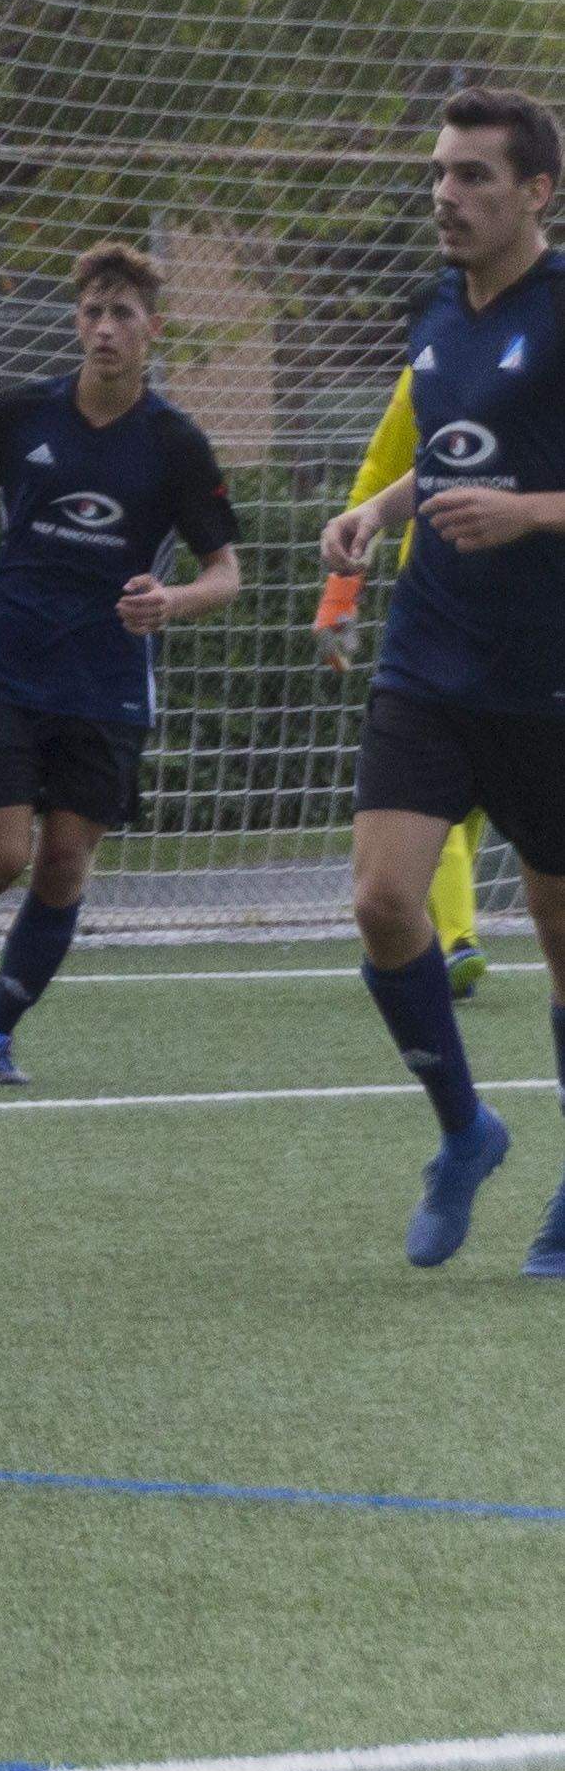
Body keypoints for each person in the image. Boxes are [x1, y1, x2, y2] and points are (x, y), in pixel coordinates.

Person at [319, 86, 565, 1271]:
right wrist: (372, 507)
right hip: (429, 653)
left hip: (549, 672)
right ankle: (463, 1130)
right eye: (438, 173)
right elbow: (443, 453)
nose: (444, 195)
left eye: (472, 175)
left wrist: (530, 513)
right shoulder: (436, 311)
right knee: (378, 899)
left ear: (536, 192)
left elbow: (513, 482)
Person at [0, 242, 243, 1086]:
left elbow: (226, 573)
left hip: (106, 682)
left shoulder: (176, 444)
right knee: (0, 858)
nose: (105, 329)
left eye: (123, 315)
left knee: (64, 861)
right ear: (76, 324)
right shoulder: (22, 414)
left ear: (152, 332)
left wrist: (170, 602)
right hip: (7, 662)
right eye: (93, 314)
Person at [312, 369, 490, 998]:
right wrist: (340, 588)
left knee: (476, 797)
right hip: (437, 611)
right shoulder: (431, 365)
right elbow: (380, 473)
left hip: (532, 619)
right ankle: (456, 939)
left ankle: (452, 934)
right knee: (426, 789)